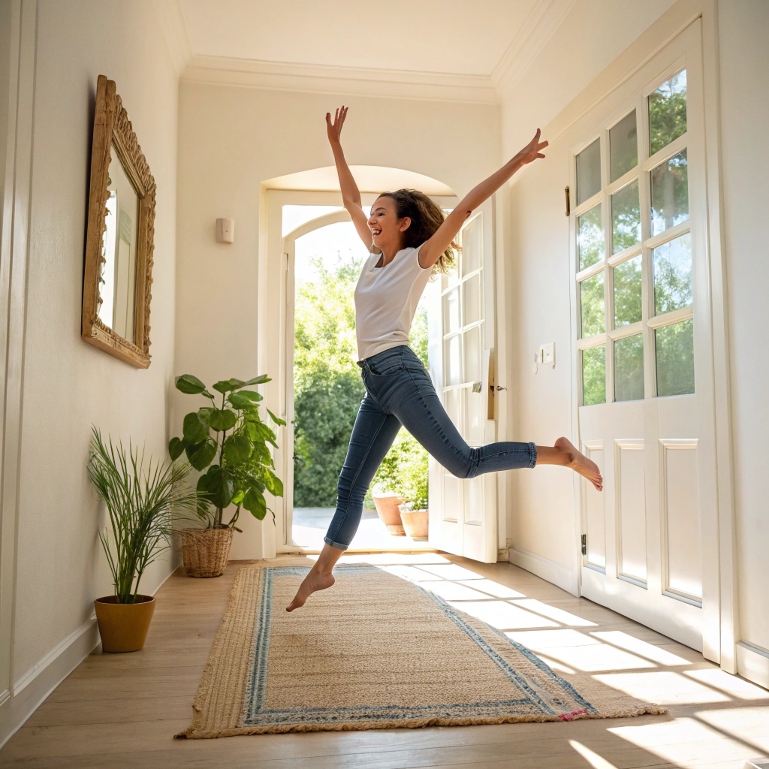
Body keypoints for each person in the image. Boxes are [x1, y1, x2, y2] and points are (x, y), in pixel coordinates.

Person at [286, 106, 602, 612]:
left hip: (400, 375)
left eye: (381, 213)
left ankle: (563, 455)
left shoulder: (417, 259)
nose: (371, 218)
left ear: (403, 223)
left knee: (464, 463)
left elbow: (467, 206)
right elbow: (349, 199)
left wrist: (518, 160)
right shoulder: (372, 261)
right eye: (372, 214)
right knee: (350, 485)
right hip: (375, 384)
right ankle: (323, 571)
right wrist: (337, 146)